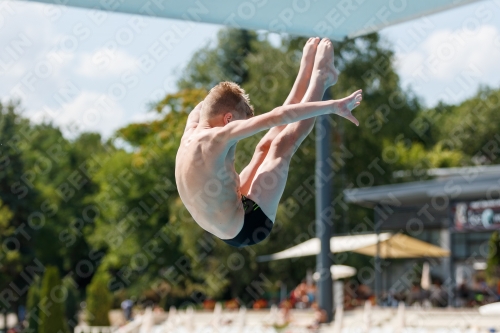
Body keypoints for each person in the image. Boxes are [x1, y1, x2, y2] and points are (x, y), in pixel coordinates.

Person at [175, 37, 362, 247]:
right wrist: (333, 106)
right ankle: (321, 78)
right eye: (237, 125)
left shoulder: (192, 128)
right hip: (249, 224)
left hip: (231, 213)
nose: (237, 132)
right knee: (283, 143)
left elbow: (211, 100)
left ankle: (306, 70)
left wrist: (231, 95)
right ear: (228, 120)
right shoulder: (216, 138)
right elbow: (278, 116)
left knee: (264, 147)